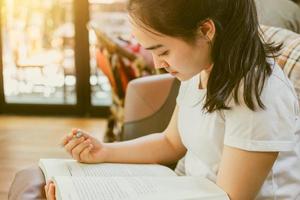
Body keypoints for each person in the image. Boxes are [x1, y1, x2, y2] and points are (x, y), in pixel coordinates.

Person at [45, 0, 300, 199]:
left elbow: (227, 197)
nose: (157, 65)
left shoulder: (258, 95)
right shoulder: (201, 68)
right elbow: (170, 142)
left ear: (205, 30)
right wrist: (104, 151)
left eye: (163, 50)